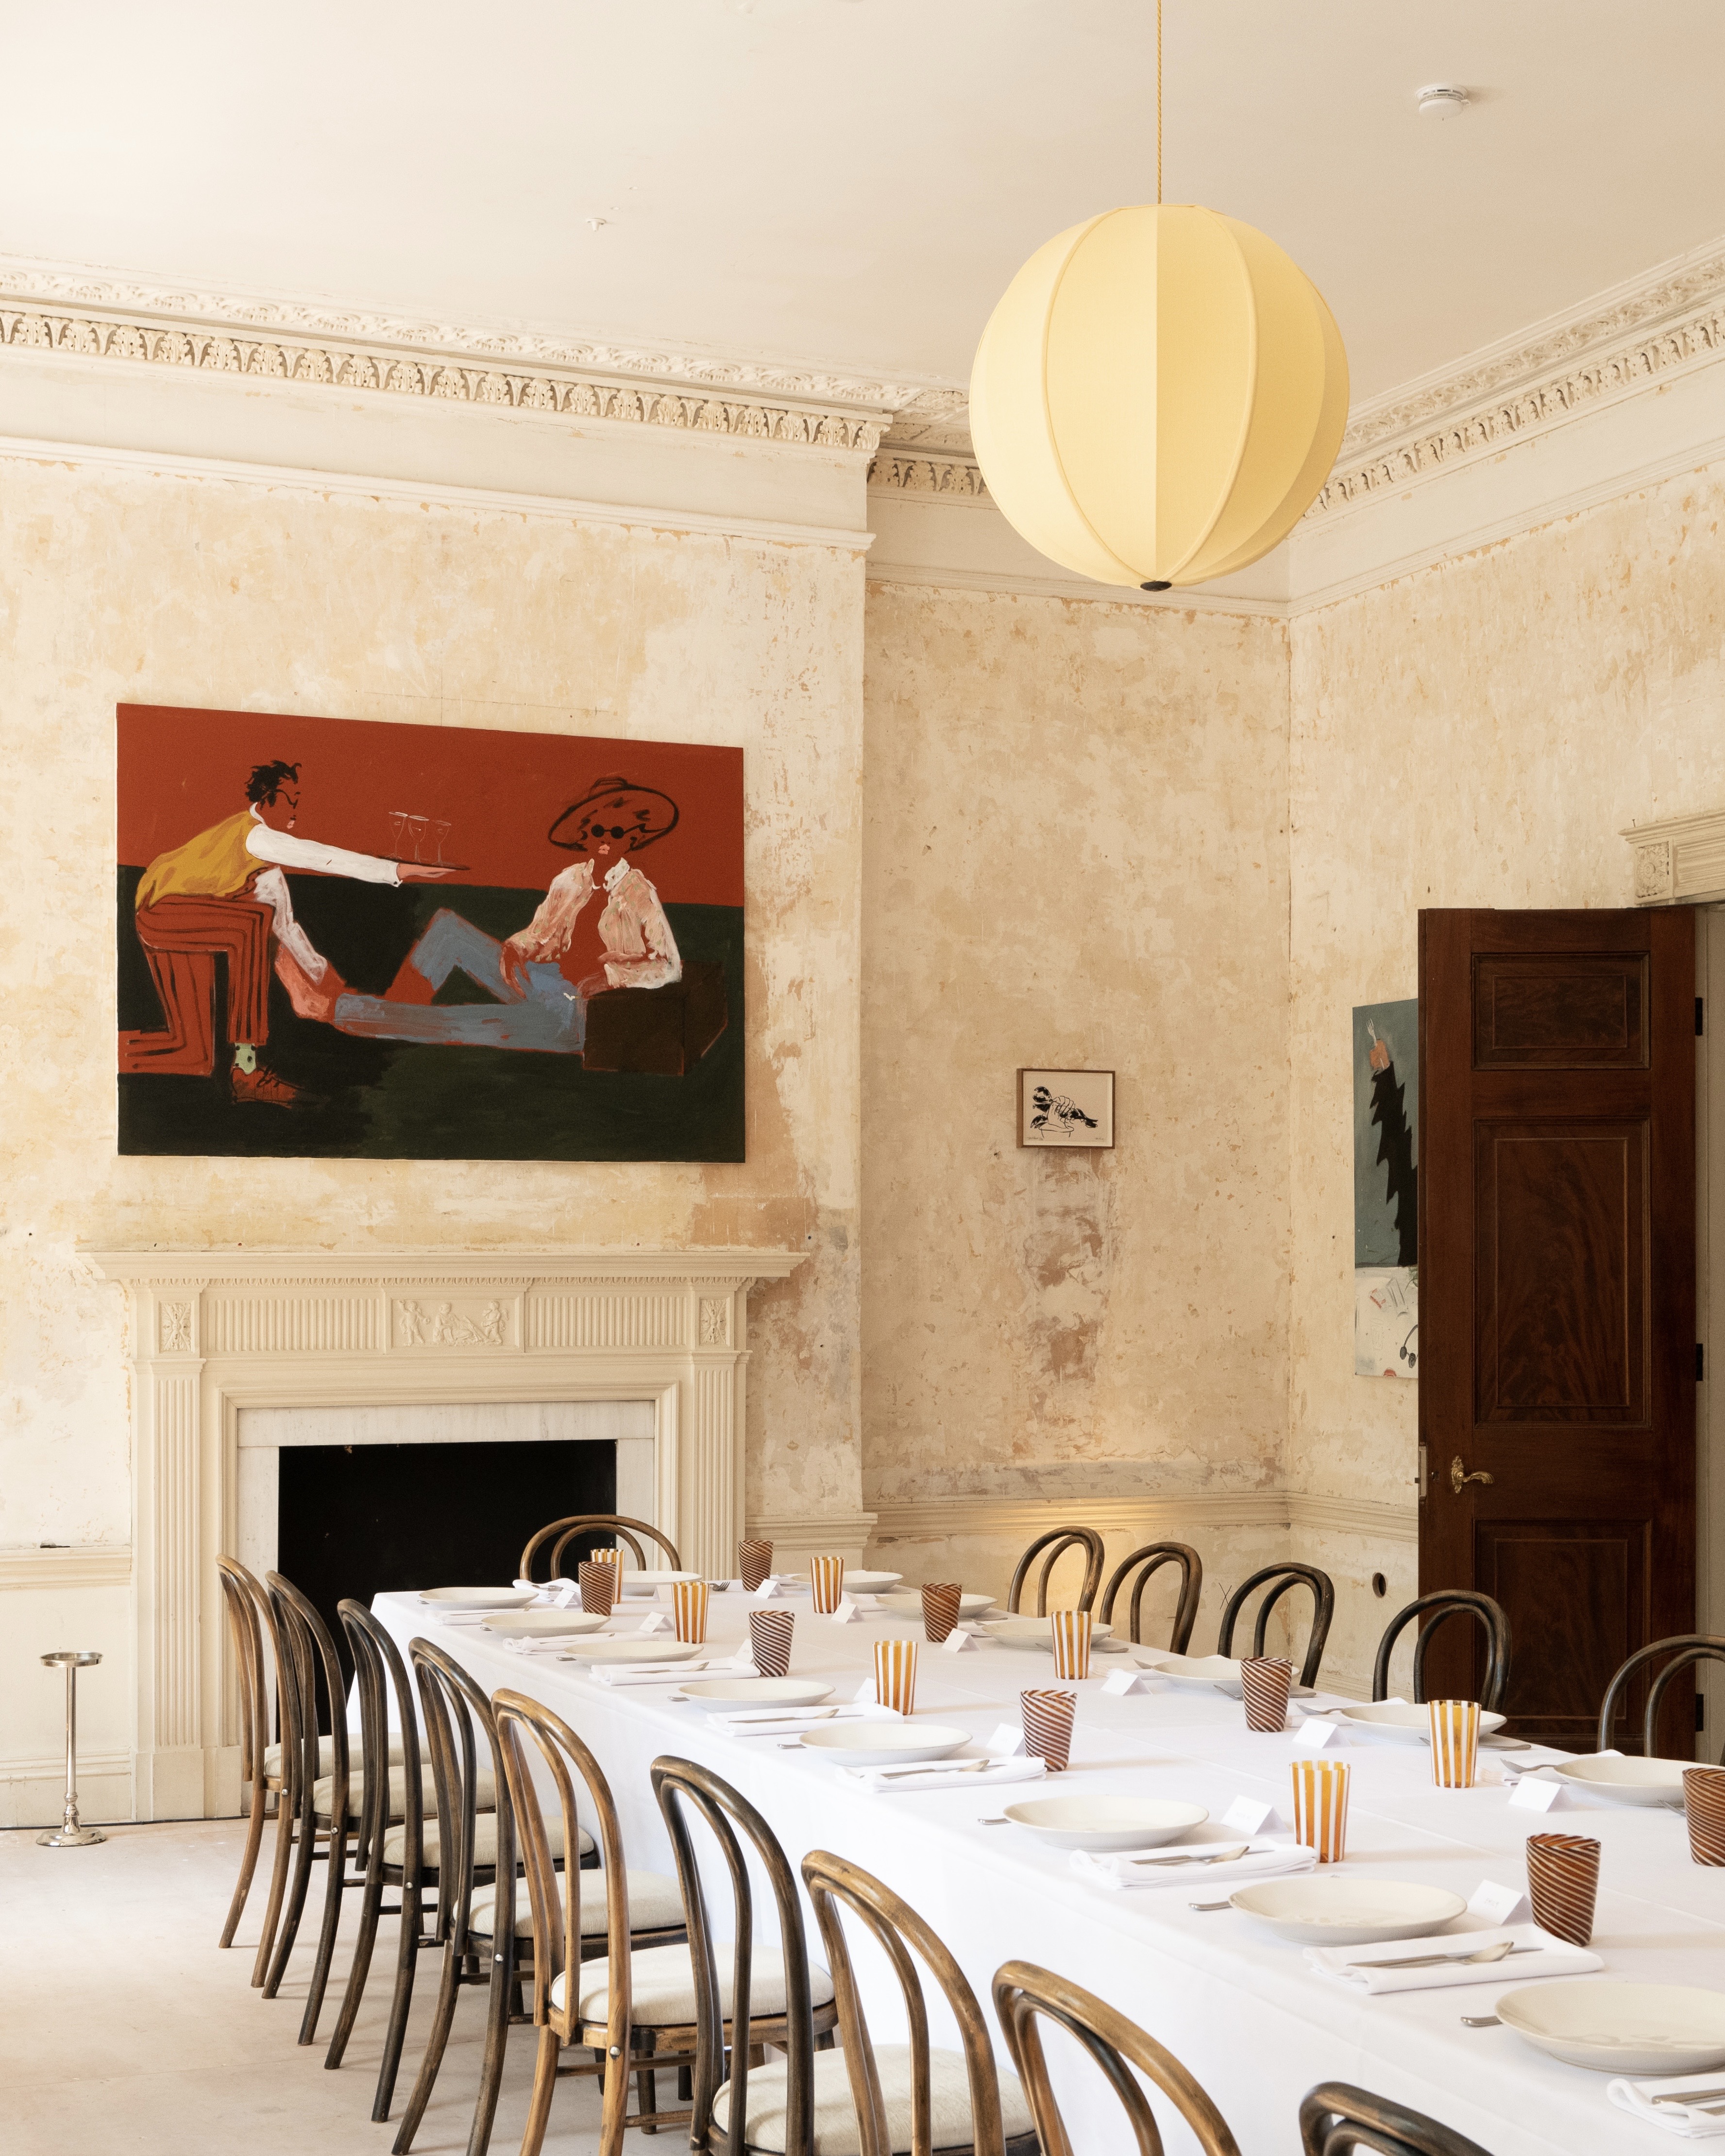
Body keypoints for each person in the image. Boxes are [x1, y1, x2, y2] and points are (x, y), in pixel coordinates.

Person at [120, 759, 448, 1102]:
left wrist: (322, 976)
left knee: (191, 1054)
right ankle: (246, 1068)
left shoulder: (263, 869)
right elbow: (324, 858)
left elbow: (286, 925)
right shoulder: (257, 838)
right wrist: (399, 870)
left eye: (297, 800)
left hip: (184, 919)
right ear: (266, 801)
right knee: (251, 924)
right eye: (289, 799)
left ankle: (110, 1050)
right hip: (161, 911)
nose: (295, 809)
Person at [333, 775, 681, 1055]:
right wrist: (516, 949)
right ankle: (396, 1016)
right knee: (447, 930)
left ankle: (339, 1010)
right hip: (543, 980)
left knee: (463, 1023)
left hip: (579, 1012)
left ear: (633, 839)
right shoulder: (571, 879)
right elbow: (538, 933)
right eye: (596, 831)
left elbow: (669, 966)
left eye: (616, 832)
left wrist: (609, 977)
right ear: (583, 835)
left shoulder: (639, 893)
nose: (605, 839)